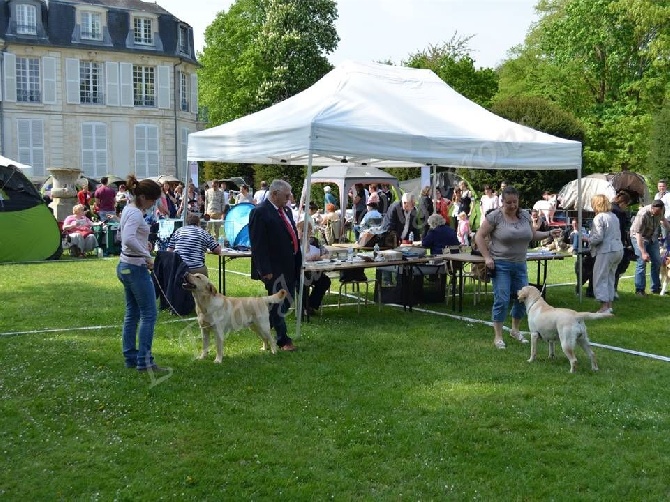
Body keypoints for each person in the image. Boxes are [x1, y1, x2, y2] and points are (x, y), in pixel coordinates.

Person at [474, 185, 562, 349]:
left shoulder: (524, 215)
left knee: (523, 299)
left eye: (515, 202)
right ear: (502, 201)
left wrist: (549, 233)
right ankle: (498, 336)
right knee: (502, 299)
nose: (513, 205)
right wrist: (487, 257)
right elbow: (479, 236)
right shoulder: (495, 217)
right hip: (500, 264)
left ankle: (515, 330)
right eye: (509, 203)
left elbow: (533, 235)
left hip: (520, 264)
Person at [116, 175, 166, 372]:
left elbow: (124, 236)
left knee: (132, 313)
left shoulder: (128, 209)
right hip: (135, 267)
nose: (154, 204)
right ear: (144, 197)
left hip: (125, 265)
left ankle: (131, 357)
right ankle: (145, 361)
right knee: (149, 314)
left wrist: (144, 244)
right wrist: (147, 255)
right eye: (153, 200)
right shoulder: (136, 213)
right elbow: (127, 239)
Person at [248, 179, 302, 351]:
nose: (289, 199)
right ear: (274, 194)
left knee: (287, 299)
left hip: (290, 263)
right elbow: (258, 244)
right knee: (278, 302)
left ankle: (264, 327)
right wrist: (265, 270)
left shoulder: (285, 210)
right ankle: (283, 340)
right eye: (286, 195)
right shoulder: (260, 212)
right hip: (274, 266)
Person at [588, 194, 624, 314]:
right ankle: (609, 305)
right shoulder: (613, 216)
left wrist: (588, 239)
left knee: (600, 277)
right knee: (610, 277)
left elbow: (598, 237)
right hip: (618, 249)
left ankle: (604, 306)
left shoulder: (599, 218)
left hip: (606, 250)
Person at [630, 199, 670, 296]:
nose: (658, 214)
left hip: (652, 237)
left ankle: (655, 288)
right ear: (652, 208)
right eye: (656, 212)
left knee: (657, 261)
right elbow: (638, 234)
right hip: (639, 237)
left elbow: (663, 220)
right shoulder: (642, 214)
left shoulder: (661, 210)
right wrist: (643, 252)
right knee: (641, 262)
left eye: (660, 212)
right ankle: (639, 290)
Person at [303, 237, 331, 316]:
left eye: (309, 230)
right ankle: (305, 306)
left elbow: (327, 254)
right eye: (301, 230)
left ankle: (311, 306)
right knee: (302, 283)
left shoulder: (314, 242)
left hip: (315, 272)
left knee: (325, 281)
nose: (305, 233)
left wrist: (320, 257)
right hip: (300, 274)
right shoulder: (296, 242)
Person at [611, 191, 632, 295]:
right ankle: (613, 290)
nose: (627, 207)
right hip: (616, 243)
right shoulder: (619, 212)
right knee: (615, 269)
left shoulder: (610, 208)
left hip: (609, 243)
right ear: (623, 203)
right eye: (627, 205)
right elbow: (621, 229)